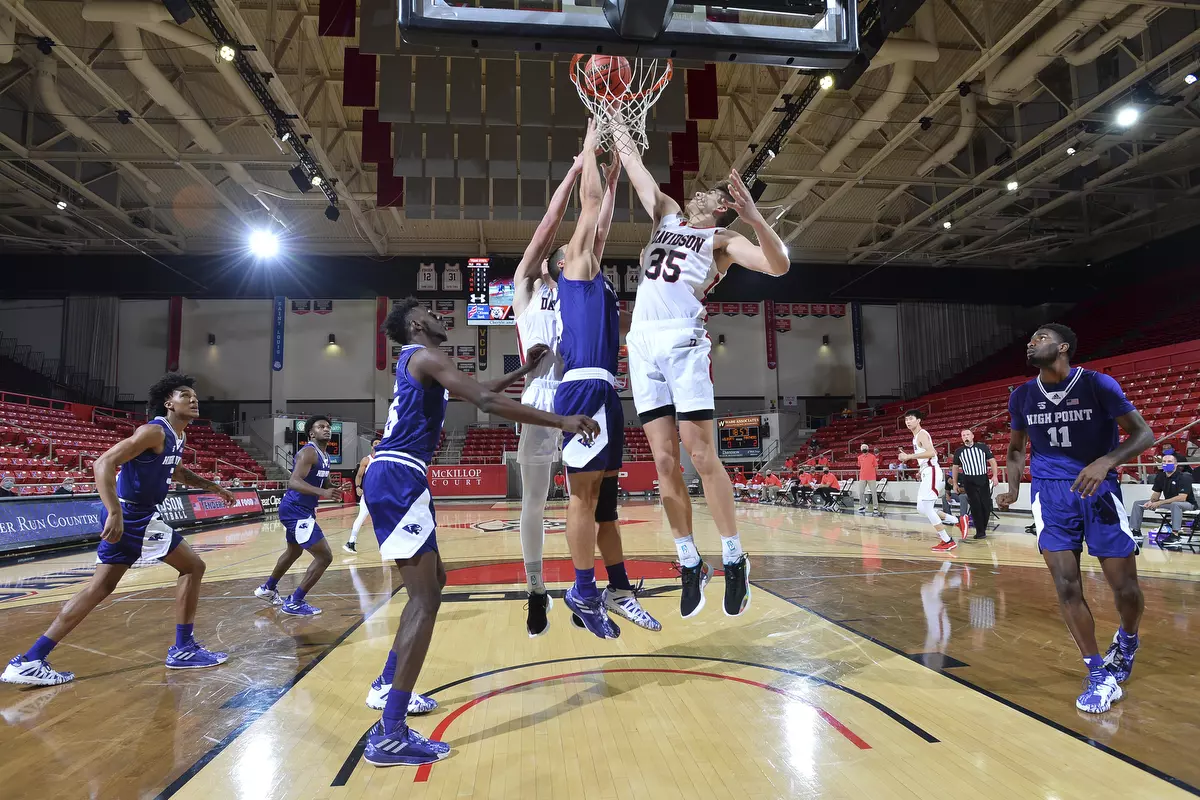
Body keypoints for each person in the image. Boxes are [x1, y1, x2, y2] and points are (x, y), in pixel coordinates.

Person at [358, 297, 599, 766]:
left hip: (401, 474)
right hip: (399, 474)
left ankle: (388, 684)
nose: (439, 318)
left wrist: (521, 372)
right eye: (432, 313)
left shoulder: (422, 362)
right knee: (424, 600)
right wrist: (561, 421)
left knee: (433, 584)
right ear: (416, 323)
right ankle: (390, 732)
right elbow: (485, 402)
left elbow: (481, 388)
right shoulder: (426, 356)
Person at [616, 123, 789, 619]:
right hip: (642, 343)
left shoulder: (722, 239)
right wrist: (614, 116)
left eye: (711, 196)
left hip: (683, 341)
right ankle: (690, 561)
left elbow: (778, 266)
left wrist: (754, 218)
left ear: (722, 209)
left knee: (700, 453)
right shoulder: (666, 214)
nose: (700, 197)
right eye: (700, 193)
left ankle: (734, 557)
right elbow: (634, 166)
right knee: (663, 461)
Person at [3, 374, 233, 687]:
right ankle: (183, 649)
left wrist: (213, 487)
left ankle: (31, 659)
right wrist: (114, 511)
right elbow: (103, 463)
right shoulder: (154, 430)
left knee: (98, 588)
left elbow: (176, 471)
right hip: (133, 516)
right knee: (193, 567)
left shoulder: (177, 436)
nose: (193, 399)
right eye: (184, 395)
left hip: (135, 515)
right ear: (168, 403)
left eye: (194, 395)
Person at [509, 148, 648, 637]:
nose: (573, 245)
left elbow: (599, 229)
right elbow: (548, 226)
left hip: (580, 391)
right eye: (564, 248)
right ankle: (536, 590)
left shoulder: (581, 285)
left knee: (590, 499)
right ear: (554, 263)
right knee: (534, 501)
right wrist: (572, 171)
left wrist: (610, 179)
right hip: (540, 400)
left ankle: (592, 588)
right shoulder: (528, 287)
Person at [997, 324, 1154, 714]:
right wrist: (1013, 488)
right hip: (1050, 494)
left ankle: (1128, 639)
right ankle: (1099, 674)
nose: (1031, 342)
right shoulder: (1022, 395)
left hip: (1098, 490)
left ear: (1063, 347)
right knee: (1066, 585)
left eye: (1041, 338)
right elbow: (1016, 449)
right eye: (1030, 339)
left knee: (1125, 589)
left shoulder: (1097, 384)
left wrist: (1106, 462)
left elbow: (1143, 434)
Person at [554, 123, 661, 640]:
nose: (591, 238)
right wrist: (591, 145)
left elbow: (602, 219)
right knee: (583, 498)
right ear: (564, 259)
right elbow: (591, 207)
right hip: (581, 390)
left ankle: (618, 588)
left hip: (607, 392)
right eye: (582, 238)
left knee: (608, 506)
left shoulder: (596, 278)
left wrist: (615, 177)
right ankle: (582, 589)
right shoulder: (572, 270)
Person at [254, 416, 337, 616]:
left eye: (328, 426)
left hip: (302, 509)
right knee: (324, 556)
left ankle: (268, 588)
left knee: (293, 552)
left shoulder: (325, 455)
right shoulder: (308, 452)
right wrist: (323, 492)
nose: (326, 429)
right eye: (321, 427)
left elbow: (323, 482)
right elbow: (294, 481)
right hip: (295, 509)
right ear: (311, 433)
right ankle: (295, 602)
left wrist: (333, 488)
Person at [898, 410, 959, 552]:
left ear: (918, 420)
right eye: (906, 419)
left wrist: (909, 457)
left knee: (926, 507)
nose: (908, 421)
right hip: (927, 471)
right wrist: (921, 469)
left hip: (932, 472)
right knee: (921, 508)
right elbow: (927, 456)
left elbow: (932, 452)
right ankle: (956, 520)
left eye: (911, 419)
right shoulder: (915, 437)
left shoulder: (922, 434)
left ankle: (947, 540)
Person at [1129, 452, 1194, 546]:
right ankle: (1136, 531)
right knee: (1138, 503)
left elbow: (1182, 498)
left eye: (1169, 461)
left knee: (1175, 504)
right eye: (1164, 461)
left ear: (1176, 464)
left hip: (1188, 504)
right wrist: (1151, 502)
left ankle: (1175, 535)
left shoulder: (1184, 477)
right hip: (1169, 503)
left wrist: (1160, 503)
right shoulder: (1160, 476)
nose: (1166, 463)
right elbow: (1156, 494)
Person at [951, 429, 999, 540]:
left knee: (986, 505)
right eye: (963, 435)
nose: (966, 437)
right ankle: (980, 531)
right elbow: (955, 467)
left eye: (967, 434)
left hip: (982, 478)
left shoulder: (982, 447)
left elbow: (992, 460)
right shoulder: (959, 451)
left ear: (972, 436)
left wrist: (995, 475)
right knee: (975, 505)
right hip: (969, 480)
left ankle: (983, 528)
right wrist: (955, 483)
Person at [346, 437, 381, 554]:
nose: (377, 444)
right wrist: (357, 487)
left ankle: (384, 544)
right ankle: (351, 542)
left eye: (380, 443)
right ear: (371, 446)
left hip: (381, 494)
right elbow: (359, 476)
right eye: (375, 443)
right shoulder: (367, 459)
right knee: (361, 517)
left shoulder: (384, 459)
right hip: (369, 494)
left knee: (383, 518)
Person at [856, 443, 879, 514]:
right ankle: (862, 506)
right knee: (861, 492)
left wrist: (874, 474)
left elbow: (876, 466)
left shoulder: (872, 457)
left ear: (868, 449)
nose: (864, 449)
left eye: (865, 448)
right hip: (862, 477)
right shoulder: (859, 457)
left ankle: (875, 507)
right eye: (862, 448)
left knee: (873, 492)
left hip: (871, 477)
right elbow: (860, 466)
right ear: (861, 449)